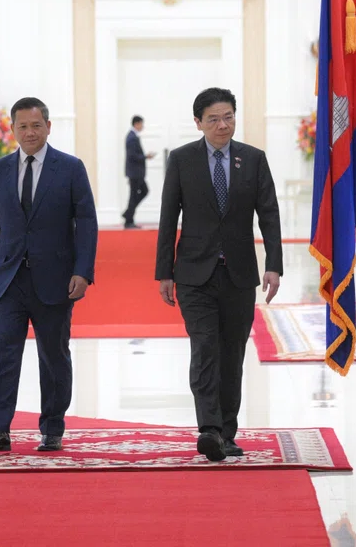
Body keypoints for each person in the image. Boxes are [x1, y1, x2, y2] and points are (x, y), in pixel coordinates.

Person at [155, 87, 283, 462]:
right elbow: (168, 217)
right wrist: (164, 272)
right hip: (195, 272)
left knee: (232, 354)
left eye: (228, 117)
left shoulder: (253, 159)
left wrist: (273, 264)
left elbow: (269, 214)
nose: (222, 125)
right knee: (205, 349)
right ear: (198, 122)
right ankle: (209, 429)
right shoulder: (182, 160)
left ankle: (227, 431)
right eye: (213, 119)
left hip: (240, 274)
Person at [0, 96, 98, 452]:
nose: (30, 132)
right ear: (12, 129)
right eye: (22, 126)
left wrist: (83, 272)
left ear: (48, 127)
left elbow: (86, 221)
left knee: (54, 354)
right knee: (1, 353)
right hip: (8, 278)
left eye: (36, 125)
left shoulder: (70, 168)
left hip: (55, 279)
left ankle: (52, 428)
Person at [123, 115, 155, 229]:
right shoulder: (132, 137)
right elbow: (132, 156)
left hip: (136, 172)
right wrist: (145, 156)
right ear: (136, 124)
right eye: (141, 124)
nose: (142, 126)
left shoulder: (133, 136)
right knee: (137, 194)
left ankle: (128, 215)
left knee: (140, 192)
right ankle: (128, 219)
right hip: (135, 172)